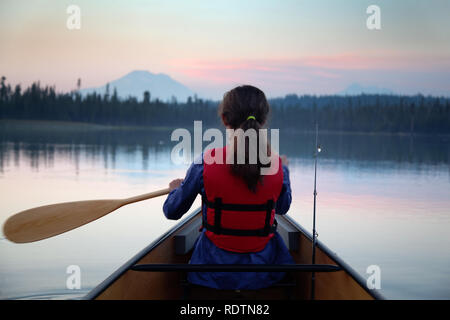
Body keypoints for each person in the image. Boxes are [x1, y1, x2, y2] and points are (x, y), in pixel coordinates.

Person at [163, 85, 294, 290]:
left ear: (225, 120)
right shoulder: (277, 166)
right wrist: (284, 173)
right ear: (264, 120)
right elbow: (282, 208)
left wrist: (175, 190)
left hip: (210, 275)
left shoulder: (204, 164)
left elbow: (172, 211)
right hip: (263, 275)